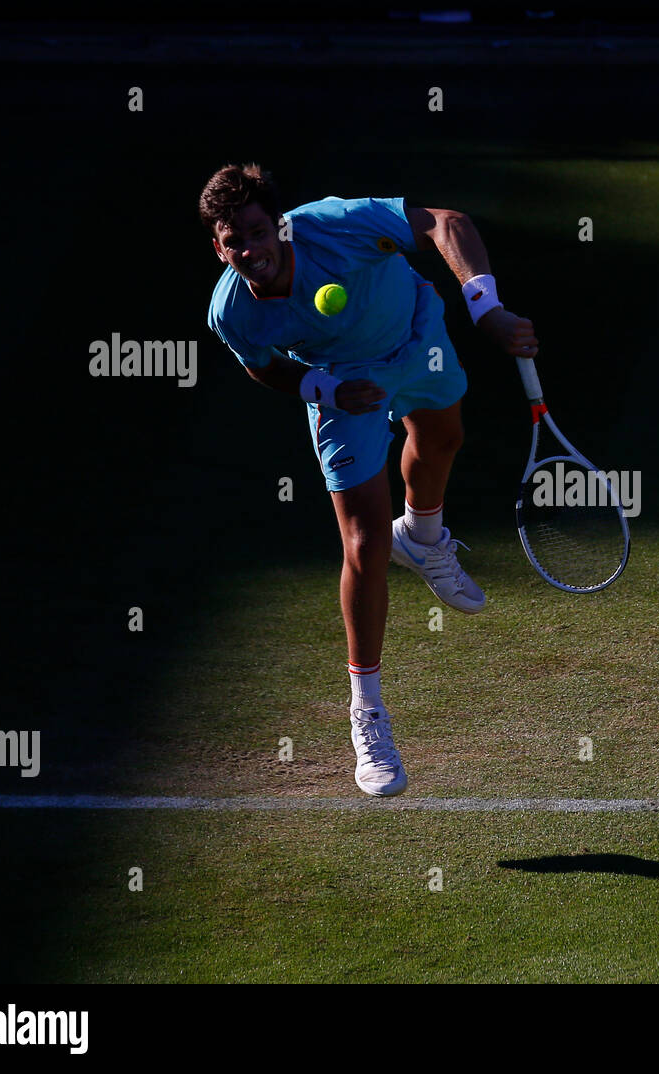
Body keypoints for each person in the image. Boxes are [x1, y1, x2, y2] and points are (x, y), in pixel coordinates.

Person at [200, 163, 538, 797]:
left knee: (441, 439)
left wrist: (485, 309)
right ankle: (368, 714)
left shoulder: (336, 225)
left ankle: (424, 534)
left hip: (415, 334)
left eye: (255, 231)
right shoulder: (231, 312)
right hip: (342, 383)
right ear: (218, 248)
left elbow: (446, 222)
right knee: (362, 543)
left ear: (278, 225)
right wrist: (324, 387)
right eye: (232, 240)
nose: (249, 250)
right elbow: (265, 368)